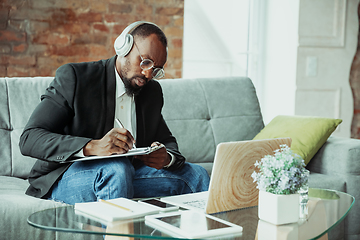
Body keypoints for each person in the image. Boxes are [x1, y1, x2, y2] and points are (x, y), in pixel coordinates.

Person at [19, 21, 210, 204]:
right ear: (123, 47)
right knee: (117, 170)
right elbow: (30, 137)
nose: (148, 74)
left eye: (156, 69)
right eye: (145, 62)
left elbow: (166, 139)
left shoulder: (151, 92)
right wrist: (92, 146)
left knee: (197, 175)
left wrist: (166, 158)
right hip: (65, 176)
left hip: (127, 173)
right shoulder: (77, 78)